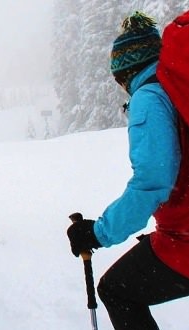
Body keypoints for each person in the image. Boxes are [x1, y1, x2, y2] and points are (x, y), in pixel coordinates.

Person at [66, 12, 189, 330]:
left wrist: (98, 233)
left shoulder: (150, 97)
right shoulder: (176, 89)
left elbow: (152, 180)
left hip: (185, 242)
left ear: (125, 72)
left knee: (117, 290)